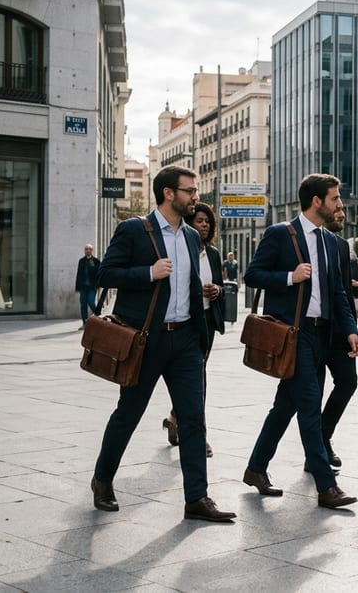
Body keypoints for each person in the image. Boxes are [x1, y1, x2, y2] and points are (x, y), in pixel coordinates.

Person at [90, 165, 235, 522]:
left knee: (193, 418)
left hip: (185, 339)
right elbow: (104, 273)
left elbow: (187, 286)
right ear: (169, 193)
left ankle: (197, 498)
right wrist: (147, 273)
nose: (196, 197)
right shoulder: (134, 230)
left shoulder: (190, 237)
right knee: (129, 413)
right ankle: (103, 479)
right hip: (146, 339)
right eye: (190, 191)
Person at [242, 173, 358, 509]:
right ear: (316, 201)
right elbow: (253, 275)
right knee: (309, 405)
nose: (340, 205)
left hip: (326, 333)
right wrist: (289, 278)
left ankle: (255, 468)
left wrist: (350, 329)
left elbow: (338, 290)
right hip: (295, 335)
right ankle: (327, 486)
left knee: (285, 407)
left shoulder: (330, 241)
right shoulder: (281, 234)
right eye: (335, 198)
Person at [161, 202, 224, 458]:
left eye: (207, 221)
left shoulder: (213, 254)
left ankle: (176, 417)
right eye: (199, 220)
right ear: (188, 223)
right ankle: (198, 435)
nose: (205, 224)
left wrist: (216, 290)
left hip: (207, 320)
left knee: (198, 377)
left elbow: (219, 283)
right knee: (196, 379)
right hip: (187, 321)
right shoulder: (181, 250)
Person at [312, 201, 358, 470]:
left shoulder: (341, 245)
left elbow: (344, 291)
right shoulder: (304, 241)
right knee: (311, 394)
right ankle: (317, 450)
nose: (341, 214)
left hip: (340, 330)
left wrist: (351, 329)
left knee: (348, 382)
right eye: (337, 209)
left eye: (343, 211)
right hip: (313, 329)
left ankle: (323, 435)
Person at [75, 244, 101, 330]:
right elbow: (79, 274)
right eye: (86, 249)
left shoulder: (96, 261)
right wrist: (77, 287)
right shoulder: (81, 261)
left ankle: (98, 318)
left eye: (89, 249)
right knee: (83, 305)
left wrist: (98, 285)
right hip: (83, 287)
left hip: (91, 287)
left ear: (92, 250)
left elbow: (98, 274)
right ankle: (85, 322)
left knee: (91, 302)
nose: (87, 251)